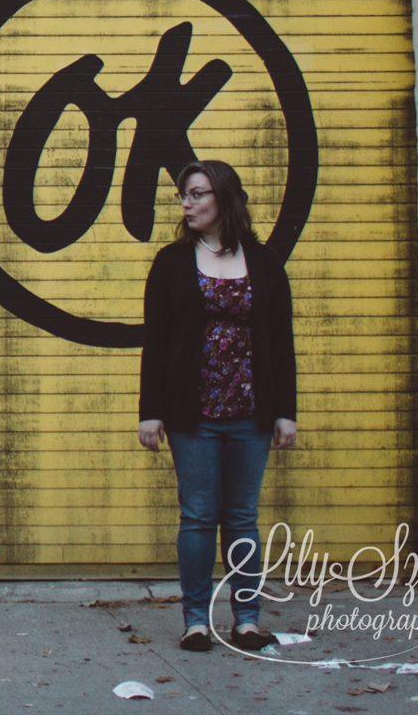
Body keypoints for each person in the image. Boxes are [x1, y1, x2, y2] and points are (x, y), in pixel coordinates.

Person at [137, 159, 299, 653]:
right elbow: (156, 341)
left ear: (223, 198)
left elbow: (281, 341)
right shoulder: (170, 261)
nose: (187, 203)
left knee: (243, 517)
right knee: (199, 517)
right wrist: (150, 410)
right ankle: (195, 620)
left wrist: (285, 410)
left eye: (198, 194)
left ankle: (247, 620)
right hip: (193, 413)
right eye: (184, 195)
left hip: (252, 412)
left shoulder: (265, 261)